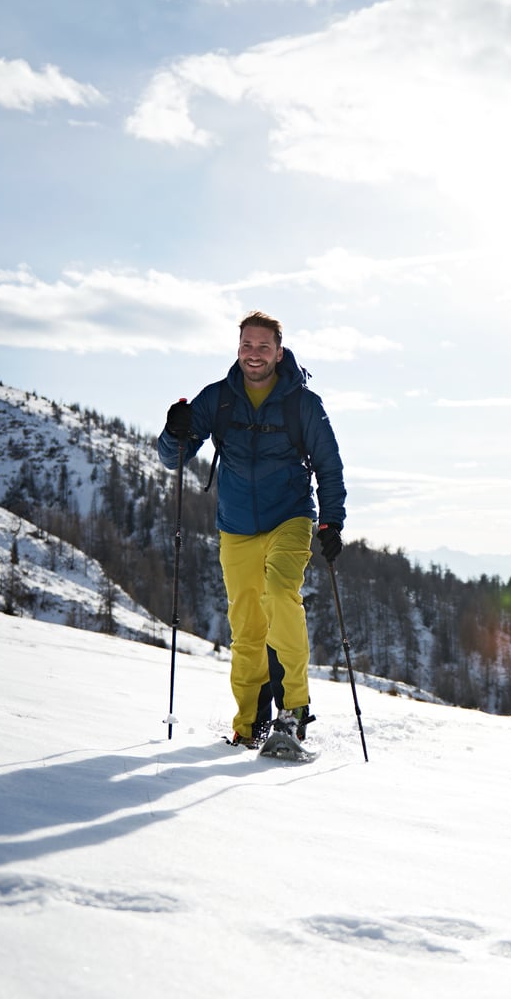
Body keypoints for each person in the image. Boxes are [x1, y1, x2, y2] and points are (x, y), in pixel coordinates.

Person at [158, 310, 346, 748]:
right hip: (236, 526)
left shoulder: (303, 403)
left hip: (290, 517)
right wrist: (173, 430)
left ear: (279, 352)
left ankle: (293, 710)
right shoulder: (218, 398)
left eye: (264, 346)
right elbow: (173, 457)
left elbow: (329, 466)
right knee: (246, 628)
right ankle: (249, 726)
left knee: (279, 594)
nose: (254, 353)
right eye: (247, 345)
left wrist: (331, 521)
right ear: (238, 348)